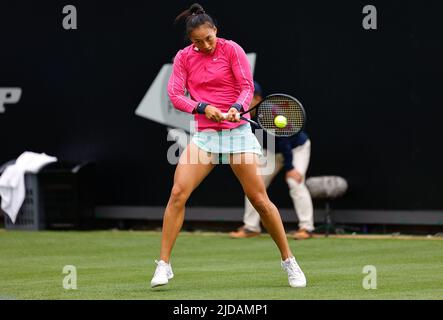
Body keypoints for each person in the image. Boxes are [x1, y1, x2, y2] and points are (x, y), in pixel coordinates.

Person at [150, 3, 306, 288]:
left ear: (215, 31)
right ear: (191, 41)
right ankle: (163, 265)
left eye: (209, 38)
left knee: (259, 200)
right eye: (198, 41)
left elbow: (247, 86)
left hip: (237, 132)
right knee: (177, 193)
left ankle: (289, 261)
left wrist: (237, 106)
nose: (206, 45)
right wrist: (201, 107)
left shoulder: (231, 49)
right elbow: (175, 95)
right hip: (205, 135)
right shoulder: (184, 57)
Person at [229, 82, 315, 240]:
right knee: (254, 183)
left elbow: (284, 142)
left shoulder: (271, 112)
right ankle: (251, 227)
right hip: (270, 151)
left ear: (257, 98)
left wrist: (290, 168)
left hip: (295, 148)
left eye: (248, 98)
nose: (244, 101)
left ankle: (306, 227)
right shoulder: (241, 113)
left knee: (295, 182)